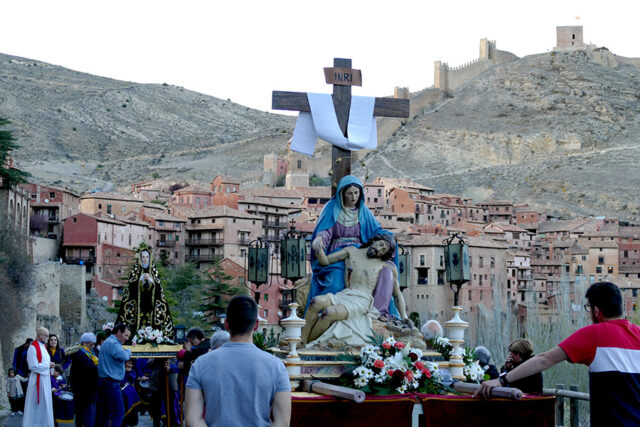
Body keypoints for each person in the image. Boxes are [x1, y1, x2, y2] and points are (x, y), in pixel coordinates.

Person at [475, 281, 640, 425]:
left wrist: (501, 380)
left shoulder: (594, 334)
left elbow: (544, 360)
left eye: (588, 308)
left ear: (596, 311)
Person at [185, 295, 291, 427]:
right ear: (256, 325)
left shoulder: (201, 364)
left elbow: (192, 420)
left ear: (226, 324)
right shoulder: (276, 367)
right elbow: (283, 422)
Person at [307, 175, 399, 317]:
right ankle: (322, 316)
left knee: (379, 277)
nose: (354, 196)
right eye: (350, 193)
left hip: (362, 254)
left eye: (356, 193)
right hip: (338, 254)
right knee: (336, 284)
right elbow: (325, 230)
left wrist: (395, 236)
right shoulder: (332, 208)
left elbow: (377, 233)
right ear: (342, 193)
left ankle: (379, 313)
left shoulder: (364, 211)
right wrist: (319, 239)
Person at [303, 233, 410, 347]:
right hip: (345, 294)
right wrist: (317, 248)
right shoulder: (351, 251)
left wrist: (404, 316)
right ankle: (301, 341)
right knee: (315, 302)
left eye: (383, 250)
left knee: (329, 313)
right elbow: (325, 261)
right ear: (374, 240)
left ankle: (310, 345)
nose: (379, 249)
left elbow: (397, 294)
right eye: (380, 244)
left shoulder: (388, 266)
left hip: (362, 300)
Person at [116, 249, 175, 339]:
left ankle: (154, 336)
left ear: (150, 258)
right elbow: (131, 285)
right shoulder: (136, 268)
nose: (145, 259)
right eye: (143, 257)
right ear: (140, 258)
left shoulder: (153, 269)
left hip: (150, 303)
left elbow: (158, 286)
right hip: (138, 303)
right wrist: (141, 280)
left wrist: (150, 281)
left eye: (147, 257)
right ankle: (134, 336)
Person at [96, 323, 131, 427]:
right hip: (111, 383)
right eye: (126, 335)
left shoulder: (107, 342)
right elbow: (124, 356)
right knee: (118, 412)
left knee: (105, 413)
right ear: (119, 332)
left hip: (104, 382)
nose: (127, 338)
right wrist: (129, 351)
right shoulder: (114, 344)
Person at [23, 327, 54, 427]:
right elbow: (32, 366)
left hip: (45, 379)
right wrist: (48, 366)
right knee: (36, 405)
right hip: (37, 380)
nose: (48, 338)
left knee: (45, 405)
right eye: (46, 336)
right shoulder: (33, 347)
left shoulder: (43, 347)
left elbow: (44, 362)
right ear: (40, 335)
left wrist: (50, 365)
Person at [69, 332, 99, 427]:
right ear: (85, 343)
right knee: (86, 416)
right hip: (84, 390)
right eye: (91, 344)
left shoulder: (89, 353)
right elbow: (90, 368)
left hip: (87, 390)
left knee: (83, 415)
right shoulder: (80, 354)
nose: (93, 346)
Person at [121, 360, 140, 427]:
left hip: (131, 393)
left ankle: (131, 422)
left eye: (131, 364)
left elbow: (133, 378)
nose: (129, 365)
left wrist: (129, 372)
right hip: (123, 393)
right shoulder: (121, 370)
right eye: (128, 363)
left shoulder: (132, 371)